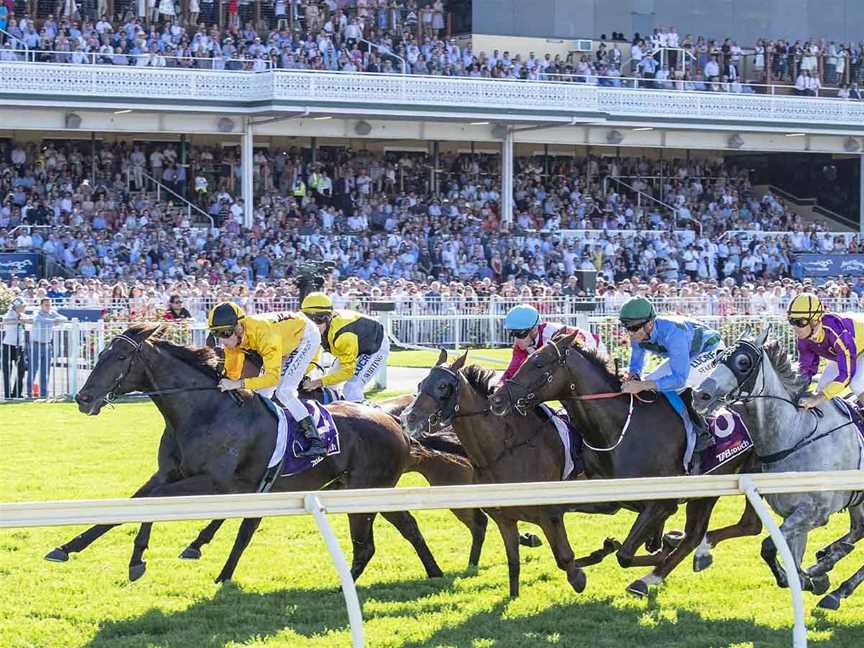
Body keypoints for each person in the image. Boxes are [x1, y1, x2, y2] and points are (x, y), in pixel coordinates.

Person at [207, 301, 326, 458]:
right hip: (285, 337)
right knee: (261, 395)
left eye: (225, 333)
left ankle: (315, 441)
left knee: (284, 391)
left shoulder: (264, 335)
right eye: (216, 334)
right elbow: (232, 375)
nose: (222, 340)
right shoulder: (235, 340)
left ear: (239, 328)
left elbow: (272, 378)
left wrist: (238, 384)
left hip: (306, 336)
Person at [618, 297, 723, 455]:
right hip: (688, 353)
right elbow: (636, 364)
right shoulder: (638, 334)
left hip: (710, 350)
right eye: (626, 327)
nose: (630, 333)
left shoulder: (673, 332)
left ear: (649, 323)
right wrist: (634, 377)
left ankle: (702, 434)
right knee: (651, 381)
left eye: (633, 328)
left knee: (678, 384)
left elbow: (679, 378)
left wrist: (643, 385)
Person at [299, 292, 389, 402]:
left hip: (375, 347)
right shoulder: (314, 330)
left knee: (352, 387)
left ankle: (365, 416)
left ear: (329, 317)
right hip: (356, 342)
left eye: (319, 319)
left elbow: (347, 372)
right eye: (309, 320)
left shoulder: (343, 335)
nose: (315, 325)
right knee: (329, 386)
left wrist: (318, 382)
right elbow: (313, 357)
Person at [788, 292, 864, 409]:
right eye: (792, 321)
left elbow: (846, 375)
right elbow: (806, 369)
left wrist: (819, 398)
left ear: (815, 321)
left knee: (857, 384)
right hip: (844, 355)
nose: (795, 327)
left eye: (801, 322)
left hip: (860, 350)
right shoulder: (804, 339)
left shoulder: (837, 332)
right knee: (821, 389)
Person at [499, 304, 607, 383]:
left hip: (594, 350)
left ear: (534, 329)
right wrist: (498, 387)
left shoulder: (552, 335)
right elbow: (512, 371)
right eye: (512, 333)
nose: (516, 340)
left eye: (519, 333)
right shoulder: (523, 344)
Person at [30, 297, 67, 399]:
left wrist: (54, 319)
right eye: (46, 305)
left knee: (45, 371)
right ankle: (28, 393)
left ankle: (44, 393)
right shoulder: (36, 312)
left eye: (49, 304)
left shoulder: (52, 312)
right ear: (41, 305)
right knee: (33, 369)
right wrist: (53, 321)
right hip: (36, 344)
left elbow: (64, 318)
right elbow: (38, 319)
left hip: (47, 344)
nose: (48, 307)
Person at [2, 298, 30, 400]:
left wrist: (23, 320)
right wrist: (18, 321)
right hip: (9, 345)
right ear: (16, 307)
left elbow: (30, 321)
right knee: (7, 371)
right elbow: (5, 321)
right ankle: (7, 393)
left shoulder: (22, 315)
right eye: (22, 306)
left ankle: (17, 392)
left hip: (20, 346)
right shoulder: (9, 314)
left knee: (21, 370)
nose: (24, 308)